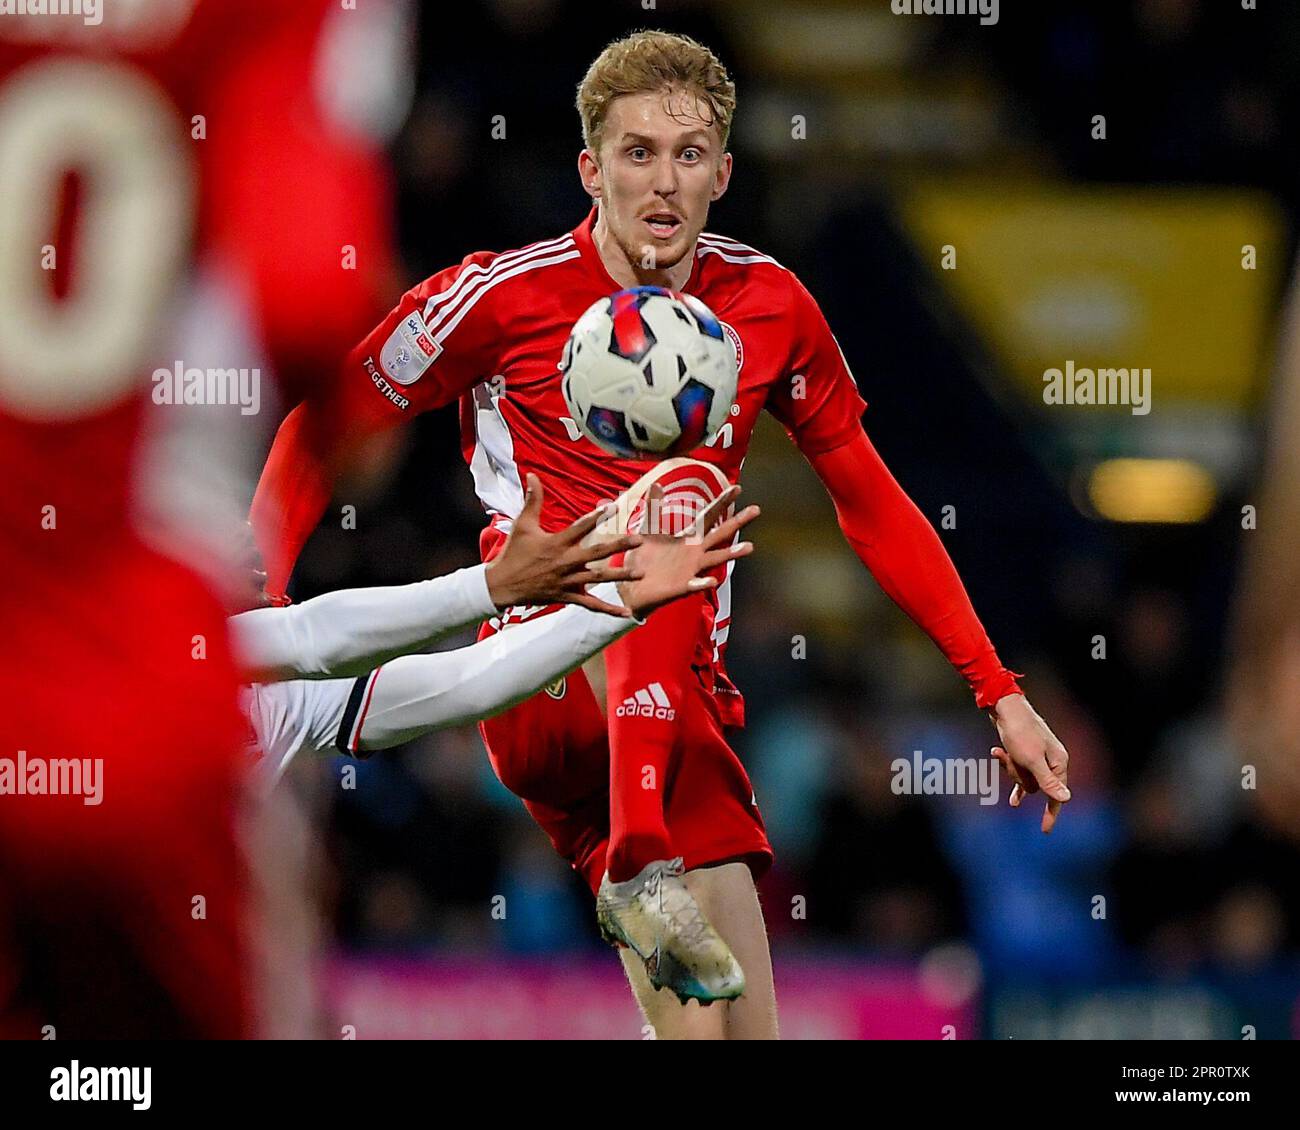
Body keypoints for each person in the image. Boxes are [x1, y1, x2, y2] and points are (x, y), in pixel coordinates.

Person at [250, 30, 1071, 1037]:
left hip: (683, 704)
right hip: (542, 668)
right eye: (637, 153)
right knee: (677, 489)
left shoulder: (768, 303)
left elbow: (873, 500)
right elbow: (319, 429)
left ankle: (645, 861)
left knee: (732, 1033)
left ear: (723, 172)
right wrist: (261, 595)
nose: (663, 183)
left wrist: (998, 690)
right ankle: (636, 857)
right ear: (590, 169)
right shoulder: (500, 297)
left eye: (688, 156)